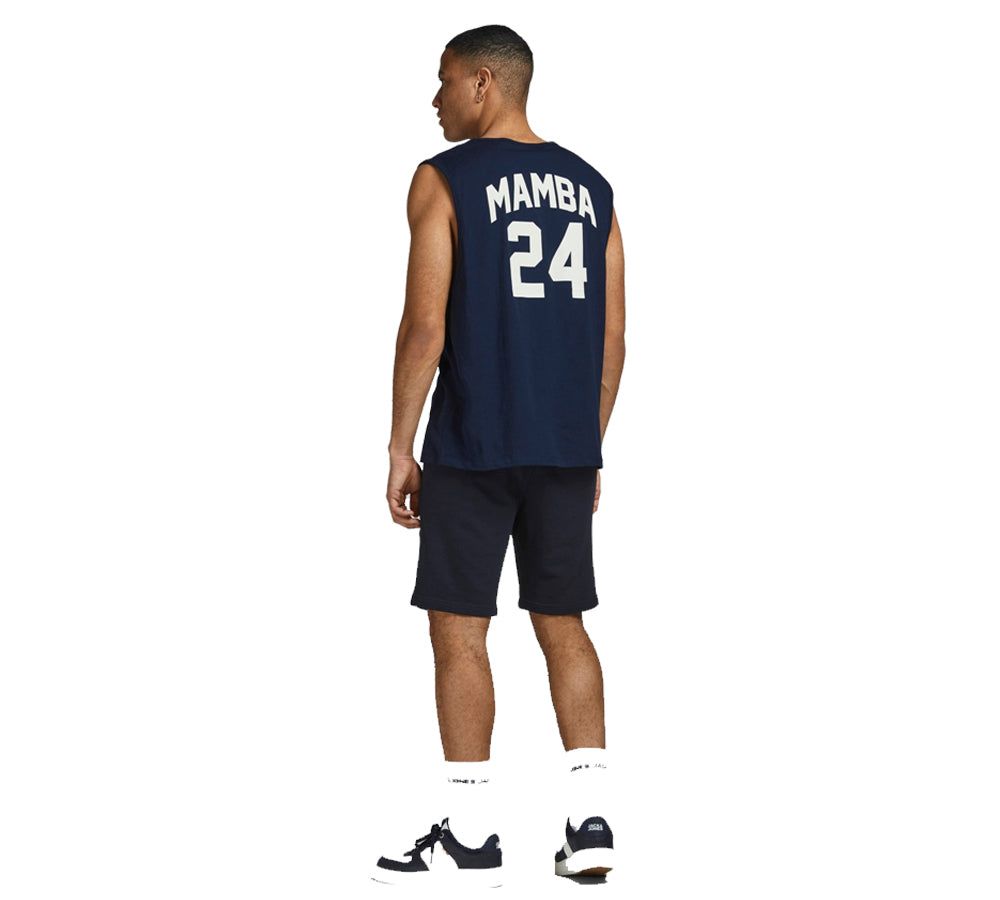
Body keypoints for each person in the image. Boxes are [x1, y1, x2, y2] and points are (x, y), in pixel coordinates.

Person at [374, 24, 626, 885]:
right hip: (564, 448)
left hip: (474, 443)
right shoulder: (593, 187)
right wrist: (587, 444)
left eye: (444, 80)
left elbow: (424, 327)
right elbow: (612, 341)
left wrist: (400, 446)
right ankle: (591, 822)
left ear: (483, 82)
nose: (435, 98)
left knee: (459, 629)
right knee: (565, 624)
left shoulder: (442, 178)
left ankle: (473, 834)